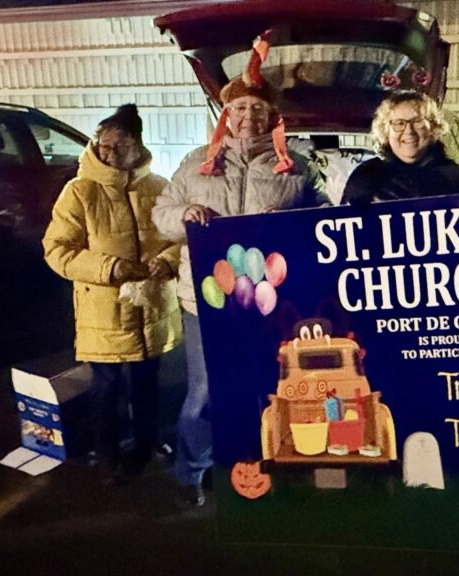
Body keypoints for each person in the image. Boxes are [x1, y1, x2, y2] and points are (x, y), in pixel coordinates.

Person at [153, 47, 328, 507]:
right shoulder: (195, 162)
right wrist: (184, 215)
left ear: (272, 115)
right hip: (203, 300)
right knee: (207, 389)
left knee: (266, 384)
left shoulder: (298, 166)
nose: (248, 116)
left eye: (258, 108)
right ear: (225, 114)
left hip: (273, 300)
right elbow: (161, 213)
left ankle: (259, 461)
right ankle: (194, 471)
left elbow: (325, 218)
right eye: (239, 108)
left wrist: (290, 228)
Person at [43, 104, 182, 483]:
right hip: (104, 312)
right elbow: (58, 251)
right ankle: (106, 453)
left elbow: (180, 238)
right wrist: (110, 268)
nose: (108, 153)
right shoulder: (79, 192)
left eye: (118, 147)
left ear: (137, 146)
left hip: (150, 309)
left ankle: (146, 442)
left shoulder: (159, 187)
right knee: (106, 387)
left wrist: (167, 260)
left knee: (147, 383)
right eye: (102, 145)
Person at [342, 90, 459, 204]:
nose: (409, 131)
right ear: (385, 132)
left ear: (433, 128)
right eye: (399, 123)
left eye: (418, 122)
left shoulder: (456, 178)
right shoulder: (364, 176)